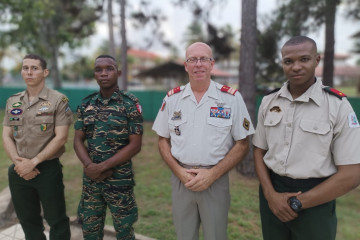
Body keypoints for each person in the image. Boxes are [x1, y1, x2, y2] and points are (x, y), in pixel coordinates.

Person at [253, 36, 360, 240]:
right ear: (282, 63)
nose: (296, 67)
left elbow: (352, 173)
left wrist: (297, 203)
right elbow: (259, 150)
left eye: (304, 59)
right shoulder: (269, 102)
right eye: (288, 61)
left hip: (317, 198)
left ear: (317, 60)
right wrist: (270, 195)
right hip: (272, 193)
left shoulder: (338, 106)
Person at [152, 42, 255, 240]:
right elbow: (162, 140)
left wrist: (213, 174)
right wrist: (178, 171)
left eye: (203, 59)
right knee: (184, 236)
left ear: (211, 64)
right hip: (182, 180)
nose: (198, 64)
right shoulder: (172, 99)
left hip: (215, 182)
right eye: (193, 59)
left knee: (216, 236)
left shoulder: (231, 99)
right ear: (186, 65)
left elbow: (243, 144)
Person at [2, 54, 72, 240]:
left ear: (45, 72)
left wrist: (33, 162)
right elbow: (6, 135)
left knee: (56, 220)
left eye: (34, 68)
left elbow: (61, 137)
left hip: (47, 169)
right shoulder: (13, 101)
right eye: (25, 68)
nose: (29, 72)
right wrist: (20, 163)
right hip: (18, 170)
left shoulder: (58, 100)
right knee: (27, 220)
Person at [74, 55, 143, 240]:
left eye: (109, 68)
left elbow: (135, 144)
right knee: (90, 231)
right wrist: (90, 166)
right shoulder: (85, 104)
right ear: (95, 74)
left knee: (124, 231)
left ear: (118, 73)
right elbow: (78, 140)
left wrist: (101, 167)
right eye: (99, 69)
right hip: (91, 182)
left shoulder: (129, 103)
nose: (104, 73)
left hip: (119, 181)